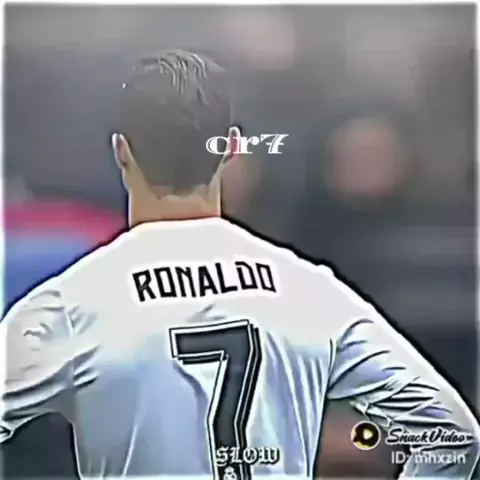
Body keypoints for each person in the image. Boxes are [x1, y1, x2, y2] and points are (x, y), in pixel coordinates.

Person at [1, 49, 478, 479]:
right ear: (231, 147)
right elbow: (454, 436)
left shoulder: (73, 302)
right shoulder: (308, 289)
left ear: (121, 150)